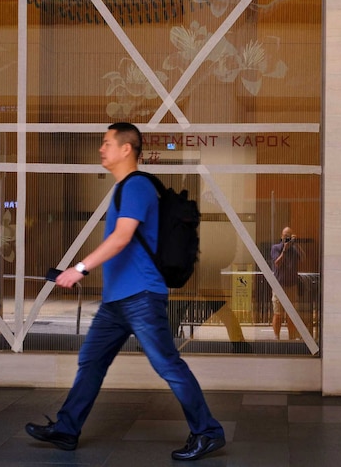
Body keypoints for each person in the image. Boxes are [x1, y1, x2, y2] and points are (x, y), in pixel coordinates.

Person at [25, 122, 225, 462]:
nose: (101, 149)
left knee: (167, 365)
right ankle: (67, 429)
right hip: (117, 302)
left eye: (106, 143)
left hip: (142, 297)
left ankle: (208, 432)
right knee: (91, 362)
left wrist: (79, 269)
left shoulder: (136, 186)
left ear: (126, 149)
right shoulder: (125, 187)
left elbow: (121, 238)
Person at [269, 226, 306, 340]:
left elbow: (303, 258)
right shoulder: (276, 248)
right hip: (279, 286)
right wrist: (284, 249)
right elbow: (277, 263)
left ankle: (291, 337)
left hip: (292, 286)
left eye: (289, 236)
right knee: (278, 313)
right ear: (281, 236)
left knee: (292, 314)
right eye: (285, 236)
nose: (287, 238)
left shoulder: (295, 249)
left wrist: (296, 244)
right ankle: (276, 337)